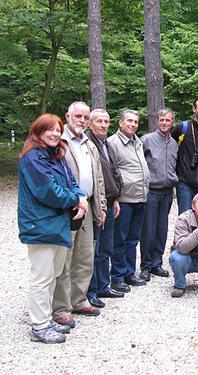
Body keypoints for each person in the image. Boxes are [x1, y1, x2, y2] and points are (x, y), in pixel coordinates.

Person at [18, 113, 88, 343]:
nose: (56, 133)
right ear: (38, 132)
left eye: (58, 130)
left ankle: (45, 319)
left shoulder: (56, 155)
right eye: (50, 130)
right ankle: (38, 326)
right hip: (40, 225)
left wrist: (80, 196)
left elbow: (71, 181)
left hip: (57, 224)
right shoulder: (32, 159)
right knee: (42, 277)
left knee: (54, 274)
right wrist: (76, 200)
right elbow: (48, 191)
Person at [53, 101, 106, 327]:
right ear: (68, 116)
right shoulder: (58, 142)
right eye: (78, 117)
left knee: (84, 257)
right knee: (63, 261)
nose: (82, 121)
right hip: (67, 209)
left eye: (85, 117)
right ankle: (61, 308)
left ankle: (79, 299)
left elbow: (98, 177)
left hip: (88, 205)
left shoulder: (89, 144)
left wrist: (100, 205)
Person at [107, 110, 150, 292]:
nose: (132, 124)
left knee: (133, 239)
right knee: (120, 239)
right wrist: (115, 197)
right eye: (129, 121)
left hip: (140, 197)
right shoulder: (113, 143)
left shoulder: (137, 141)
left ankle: (129, 273)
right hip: (124, 198)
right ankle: (117, 277)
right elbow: (111, 172)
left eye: (135, 122)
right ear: (121, 122)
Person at [86, 109, 125, 306]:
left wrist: (116, 198)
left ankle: (103, 285)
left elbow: (113, 172)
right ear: (90, 123)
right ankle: (90, 290)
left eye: (106, 121)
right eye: (99, 121)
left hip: (110, 203)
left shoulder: (107, 144)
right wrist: (98, 205)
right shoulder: (88, 144)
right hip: (96, 205)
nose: (103, 125)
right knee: (93, 248)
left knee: (106, 248)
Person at [139, 109, 178, 282]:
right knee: (148, 229)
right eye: (161, 120)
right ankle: (145, 266)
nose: (164, 123)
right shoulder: (146, 140)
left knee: (162, 229)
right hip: (151, 192)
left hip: (167, 192)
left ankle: (157, 263)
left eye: (167, 120)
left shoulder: (174, 143)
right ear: (157, 121)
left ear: (172, 122)